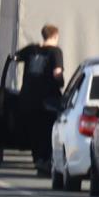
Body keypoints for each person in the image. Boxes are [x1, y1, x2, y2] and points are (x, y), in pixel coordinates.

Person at [15, 23, 65, 169]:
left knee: (35, 130)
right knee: (48, 130)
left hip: (28, 98)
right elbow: (57, 72)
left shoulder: (31, 49)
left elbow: (15, 57)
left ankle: (37, 159)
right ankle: (46, 159)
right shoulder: (56, 52)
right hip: (48, 99)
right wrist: (60, 82)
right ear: (55, 36)